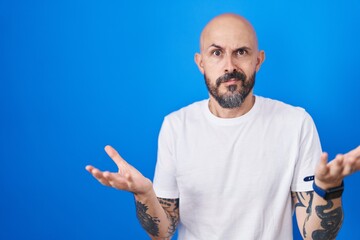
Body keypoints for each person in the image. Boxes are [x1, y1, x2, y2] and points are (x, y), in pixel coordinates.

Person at [86, 13, 360, 240]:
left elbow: (315, 235)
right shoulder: (175, 126)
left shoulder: (296, 123)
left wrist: (329, 188)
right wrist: (144, 194)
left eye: (241, 52)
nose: (230, 66)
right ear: (201, 63)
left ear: (258, 60)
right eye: (217, 53)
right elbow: (163, 232)